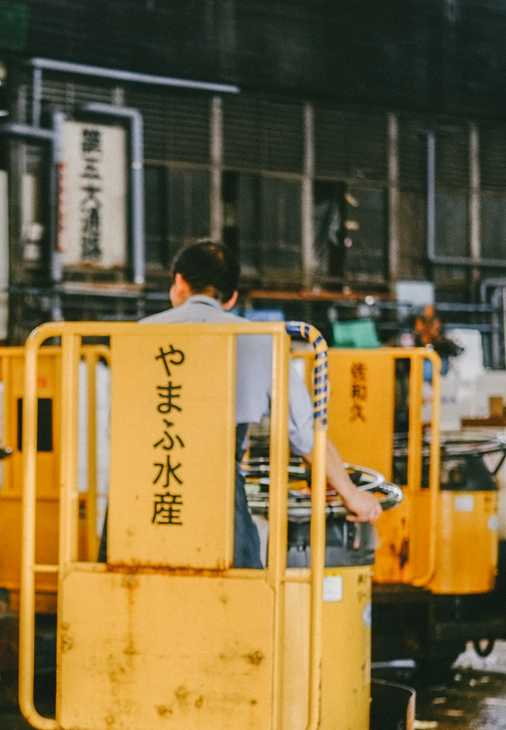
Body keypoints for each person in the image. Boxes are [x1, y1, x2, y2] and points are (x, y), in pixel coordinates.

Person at [142, 241, 382, 568]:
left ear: (180, 282)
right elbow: (305, 434)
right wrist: (352, 495)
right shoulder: (261, 337)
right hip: (219, 502)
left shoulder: (140, 334)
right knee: (235, 600)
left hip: (144, 494)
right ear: (231, 298)